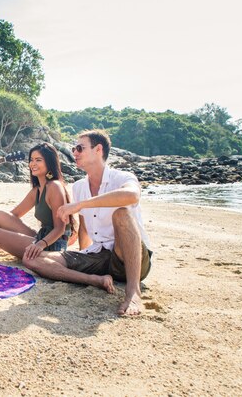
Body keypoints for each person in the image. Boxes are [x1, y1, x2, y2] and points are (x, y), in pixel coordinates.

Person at [23, 130, 152, 316]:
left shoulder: (122, 177)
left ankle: (133, 293)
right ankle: (94, 280)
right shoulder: (79, 187)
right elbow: (84, 228)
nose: (74, 152)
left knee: (122, 214)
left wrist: (80, 205)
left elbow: (131, 195)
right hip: (100, 256)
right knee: (31, 258)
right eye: (74, 148)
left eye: (79, 148)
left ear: (98, 149)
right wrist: (83, 258)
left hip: (130, 256)